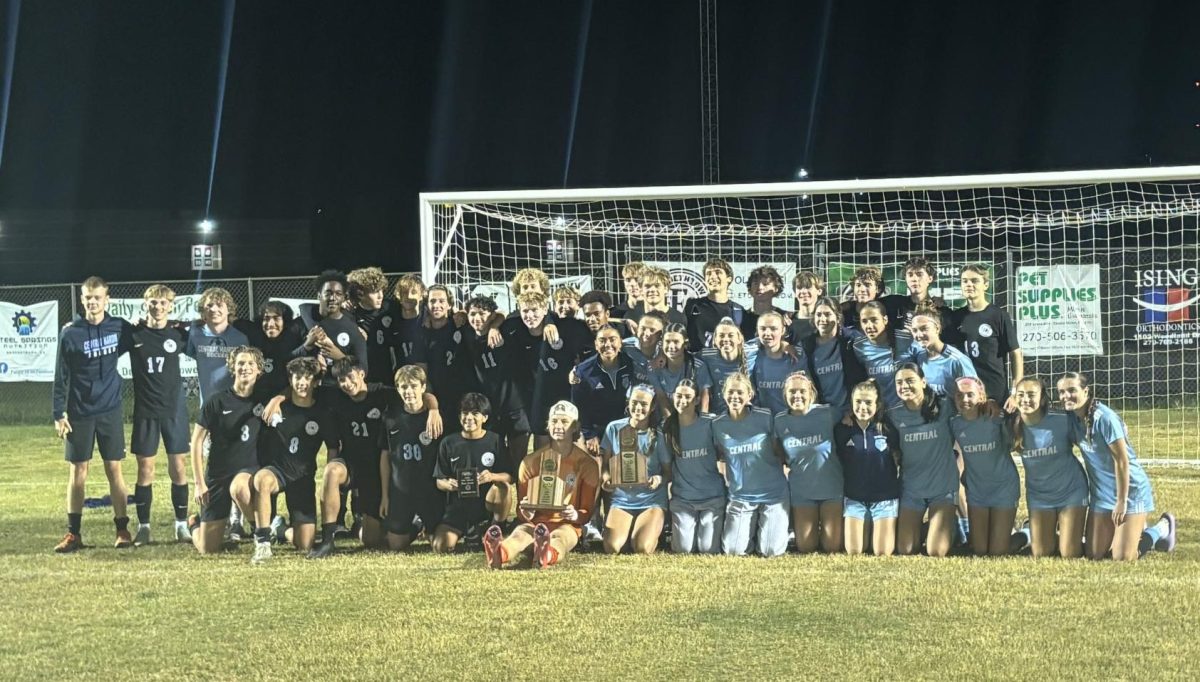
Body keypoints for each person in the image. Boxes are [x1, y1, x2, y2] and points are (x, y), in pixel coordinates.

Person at [52, 276, 135, 552]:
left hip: (110, 410)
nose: (92, 302)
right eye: (88, 297)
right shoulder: (71, 332)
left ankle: (122, 529)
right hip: (80, 412)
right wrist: (58, 412)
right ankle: (73, 534)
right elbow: (60, 375)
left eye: (97, 297)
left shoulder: (119, 328)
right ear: (82, 299)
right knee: (78, 471)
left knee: (114, 469)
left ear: (106, 299)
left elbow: (143, 338)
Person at [1058, 372, 1177, 560]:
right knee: (1094, 554)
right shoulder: (1071, 417)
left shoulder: (1104, 418)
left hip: (1129, 493)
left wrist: (1121, 502)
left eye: (1072, 390)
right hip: (1102, 494)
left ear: (1086, 391)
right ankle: (1131, 528)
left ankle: (1160, 529)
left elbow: (1122, 461)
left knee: (1122, 557)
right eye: (1062, 392)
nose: (1066, 396)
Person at [483, 401, 601, 568]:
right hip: (535, 523)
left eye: (564, 422)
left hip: (566, 524)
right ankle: (498, 553)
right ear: (547, 425)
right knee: (519, 535)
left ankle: (546, 555)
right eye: (554, 421)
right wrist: (527, 512)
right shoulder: (530, 462)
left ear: (575, 427)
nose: (558, 426)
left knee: (560, 538)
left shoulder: (587, 464)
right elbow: (521, 509)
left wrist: (574, 515)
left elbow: (586, 512)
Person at [250, 357, 339, 564]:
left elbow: (333, 448)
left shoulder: (322, 413)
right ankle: (262, 543)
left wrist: (328, 483)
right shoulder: (277, 408)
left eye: (307, 378)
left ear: (315, 382)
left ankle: (279, 530)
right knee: (262, 479)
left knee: (305, 543)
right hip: (277, 470)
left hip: (302, 477)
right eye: (297, 377)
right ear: (290, 380)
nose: (302, 382)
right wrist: (277, 399)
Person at [305, 357, 396, 558]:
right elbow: (302, 390)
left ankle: (375, 523)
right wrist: (277, 400)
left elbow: (417, 395)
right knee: (331, 471)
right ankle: (328, 539)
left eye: (349, 377)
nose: (346, 384)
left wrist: (433, 409)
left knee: (370, 540)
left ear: (361, 373)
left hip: (376, 469)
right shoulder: (336, 397)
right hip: (351, 465)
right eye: (341, 380)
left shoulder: (381, 393)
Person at [188, 346, 271, 554]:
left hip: (247, 469)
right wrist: (199, 483)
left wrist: (278, 400)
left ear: (259, 370)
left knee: (240, 488)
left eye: (251, 363)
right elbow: (197, 442)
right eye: (241, 363)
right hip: (217, 474)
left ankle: (260, 533)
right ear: (232, 368)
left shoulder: (264, 401)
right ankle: (193, 524)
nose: (245, 367)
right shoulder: (216, 401)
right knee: (208, 549)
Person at [128, 284, 192, 544]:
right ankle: (143, 527)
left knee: (178, 467)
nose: (157, 307)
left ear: (170, 306)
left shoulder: (178, 335)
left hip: (174, 411)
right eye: (153, 303)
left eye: (162, 303)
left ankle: (181, 525)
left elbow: (205, 331)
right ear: (146, 305)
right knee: (146, 469)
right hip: (145, 411)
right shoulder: (133, 333)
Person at [1009, 377, 1088, 559]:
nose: (1025, 399)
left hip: (1071, 491)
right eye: (1020, 394)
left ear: (1043, 398)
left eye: (1031, 394)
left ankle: (1069, 536)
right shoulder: (1010, 425)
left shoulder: (1062, 420)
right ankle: (1030, 531)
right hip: (1039, 495)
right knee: (1041, 553)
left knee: (1069, 553)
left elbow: (1092, 442)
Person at [712, 373, 789, 557]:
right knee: (733, 551)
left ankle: (779, 528)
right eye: (730, 392)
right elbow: (720, 456)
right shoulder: (717, 424)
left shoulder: (766, 417)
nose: (735, 397)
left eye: (740, 392)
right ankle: (751, 531)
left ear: (750, 395)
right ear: (724, 395)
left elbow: (781, 451)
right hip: (741, 496)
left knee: (770, 551)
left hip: (773, 494)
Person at [888, 363, 959, 557]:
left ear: (923, 382)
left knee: (935, 551)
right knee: (906, 549)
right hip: (912, 489)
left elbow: (970, 408)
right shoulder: (893, 415)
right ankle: (942, 527)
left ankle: (951, 525)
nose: (904, 386)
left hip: (942, 488)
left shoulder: (945, 406)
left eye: (910, 381)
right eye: (899, 382)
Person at [431, 393, 515, 553]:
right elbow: (438, 480)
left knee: (501, 487)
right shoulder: (448, 443)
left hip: (485, 505)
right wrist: (448, 484)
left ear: (485, 417)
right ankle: (469, 533)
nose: (469, 417)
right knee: (440, 546)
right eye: (465, 413)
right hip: (458, 507)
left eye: (475, 413)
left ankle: (495, 527)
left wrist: (491, 476)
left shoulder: (495, 440)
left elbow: (509, 477)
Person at [774, 372, 843, 553]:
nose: (797, 396)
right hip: (802, 490)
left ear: (811, 393)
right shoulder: (779, 421)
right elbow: (777, 450)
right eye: (792, 392)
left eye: (802, 391)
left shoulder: (827, 413)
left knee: (832, 547)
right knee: (806, 546)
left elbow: (852, 414)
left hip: (831, 488)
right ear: (785, 395)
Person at [379, 365, 445, 552]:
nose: (409, 392)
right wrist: (385, 495)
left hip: (430, 490)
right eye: (403, 387)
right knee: (395, 545)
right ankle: (416, 526)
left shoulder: (435, 417)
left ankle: (430, 524)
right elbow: (385, 456)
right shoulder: (390, 417)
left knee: (440, 546)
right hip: (402, 490)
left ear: (423, 387)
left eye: (414, 386)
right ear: (398, 389)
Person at [951, 376, 1018, 556]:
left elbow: (1017, 438)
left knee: (997, 552)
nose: (964, 400)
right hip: (977, 492)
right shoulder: (955, 424)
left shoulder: (995, 417)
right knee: (980, 550)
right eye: (959, 395)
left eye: (970, 395)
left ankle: (1026, 534)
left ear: (981, 396)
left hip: (1003, 488)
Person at [658, 380, 725, 554]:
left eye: (688, 397)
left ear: (696, 400)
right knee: (684, 549)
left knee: (707, 549)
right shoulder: (666, 428)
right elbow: (667, 468)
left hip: (712, 498)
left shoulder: (710, 423)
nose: (683, 400)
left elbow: (723, 453)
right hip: (683, 500)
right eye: (679, 396)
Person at [599, 385, 668, 554]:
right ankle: (631, 530)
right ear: (628, 403)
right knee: (612, 547)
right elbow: (605, 465)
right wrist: (606, 479)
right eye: (634, 402)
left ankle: (653, 527)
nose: (638, 408)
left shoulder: (658, 435)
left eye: (644, 404)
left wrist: (659, 479)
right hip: (622, 500)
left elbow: (668, 472)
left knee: (642, 548)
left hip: (650, 500)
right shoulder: (613, 428)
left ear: (652, 408)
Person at [835, 380, 900, 556]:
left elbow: (898, 458)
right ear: (851, 403)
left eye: (868, 402)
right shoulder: (842, 430)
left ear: (877, 404)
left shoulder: (887, 429)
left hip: (884, 499)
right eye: (858, 402)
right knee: (854, 551)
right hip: (855, 499)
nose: (863, 407)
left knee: (882, 552)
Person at [950, 264, 1023, 411]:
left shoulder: (998, 315)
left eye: (974, 281)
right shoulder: (955, 317)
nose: (968, 284)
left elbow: (1015, 354)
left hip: (995, 393)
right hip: (966, 392)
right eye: (964, 281)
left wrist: (1015, 393)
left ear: (986, 285)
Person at [295, 270, 369, 384]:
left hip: (338, 391)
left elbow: (363, 370)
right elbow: (287, 359)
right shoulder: (301, 323)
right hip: (308, 391)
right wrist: (306, 346)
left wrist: (340, 358)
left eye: (338, 294)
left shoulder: (353, 330)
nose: (333, 298)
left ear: (344, 298)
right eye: (328, 293)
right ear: (319, 295)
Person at [797, 296, 865, 419]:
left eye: (828, 314)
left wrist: (854, 409)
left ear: (837, 317)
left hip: (853, 411)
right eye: (819, 315)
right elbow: (806, 382)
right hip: (823, 413)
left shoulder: (852, 339)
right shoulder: (807, 346)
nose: (823, 319)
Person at [572, 326, 636, 455]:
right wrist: (589, 434)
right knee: (597, 469)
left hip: (624, 426)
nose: (607, 345)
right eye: (602, 341)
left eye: (612, 340)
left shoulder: (631, 364)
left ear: (620, 342)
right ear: (596, 345)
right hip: (596, 429)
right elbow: (579, 405)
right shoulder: (584, 371)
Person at [186, 287, 252, 406]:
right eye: (209, 305)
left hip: (235, 403)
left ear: (229, 310)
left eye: (219, 305)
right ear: (203, 310)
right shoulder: (195, 335)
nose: (214, 309)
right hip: (207, 405)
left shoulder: (240, 338)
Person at [846, 301, 915, 409]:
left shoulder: (906, 339)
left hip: (904, 409)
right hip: (877, 411)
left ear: (885, 320)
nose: (869, 326)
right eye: (864, 321)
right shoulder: (858, 347)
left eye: (874, 320)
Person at [684, 258, 752, 352]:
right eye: (708, 274)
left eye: (718, 272)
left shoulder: (738, 310)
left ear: (729, 278)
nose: (713, 276)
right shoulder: (693, 305)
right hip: (698, 364)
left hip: (725, 364)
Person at [697, 318, 758, 415]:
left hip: (748, 415)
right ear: (715, 340)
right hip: (719, 415)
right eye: (721, 336)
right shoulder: (707, 355)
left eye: (730, 335)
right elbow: (685, 356)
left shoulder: (751, 351)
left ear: (739, 339)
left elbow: (770, 342)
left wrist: (785, 346)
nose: (725, 339)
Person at [909, 308, 977, 396]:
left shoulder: (958, 360)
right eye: (914, 330)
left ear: (937, 328)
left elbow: (974, 395)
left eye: (924, 329)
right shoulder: (920, 358)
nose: (919, 335)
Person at [750, 311, 805, 414]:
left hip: (790, 420)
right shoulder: (752, 355)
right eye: (763, 328)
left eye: (773, 329)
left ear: (783, 330)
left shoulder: (796, 356)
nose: (767, 333)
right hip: (764, 421)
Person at [651, 323, 713, 413]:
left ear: (685, 343)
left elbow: (704, 397)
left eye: (676, 342)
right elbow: (662, 399)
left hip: (692, 417)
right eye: (667, 341)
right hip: (666, 418)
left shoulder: (697, 366)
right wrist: (670, 423)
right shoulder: (655, 367)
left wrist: (702, 423)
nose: (671, 346)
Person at [881, 257, 948, 331]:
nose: (914, 279)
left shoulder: (940, 309)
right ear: (905, 278)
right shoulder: (894, 303)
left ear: (930, 278)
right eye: (910, 275)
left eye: (919, 274)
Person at [255, 300, 305, 396]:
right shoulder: (256, 342)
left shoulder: (294, 344)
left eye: (276, 318)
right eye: (266, 318)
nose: (270, 324)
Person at [743, 265, 789, 332]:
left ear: (776, 288)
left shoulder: (783, 317)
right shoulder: (742, 317)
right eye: (756, 283)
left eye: (765, 284)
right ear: (750, 289)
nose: (759, 287)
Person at [839, 266, 886, 332]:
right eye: (858, 285)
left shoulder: (886, 310)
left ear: (878, 288)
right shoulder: (844, 312)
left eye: (867, 285)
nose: (862, 289)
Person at [787, 270, 824, 342]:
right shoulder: (788, 321)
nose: (803, 291)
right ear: (794, 292)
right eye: (799, 288)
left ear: (819, 291)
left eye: (808, 287)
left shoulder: (824, 320)